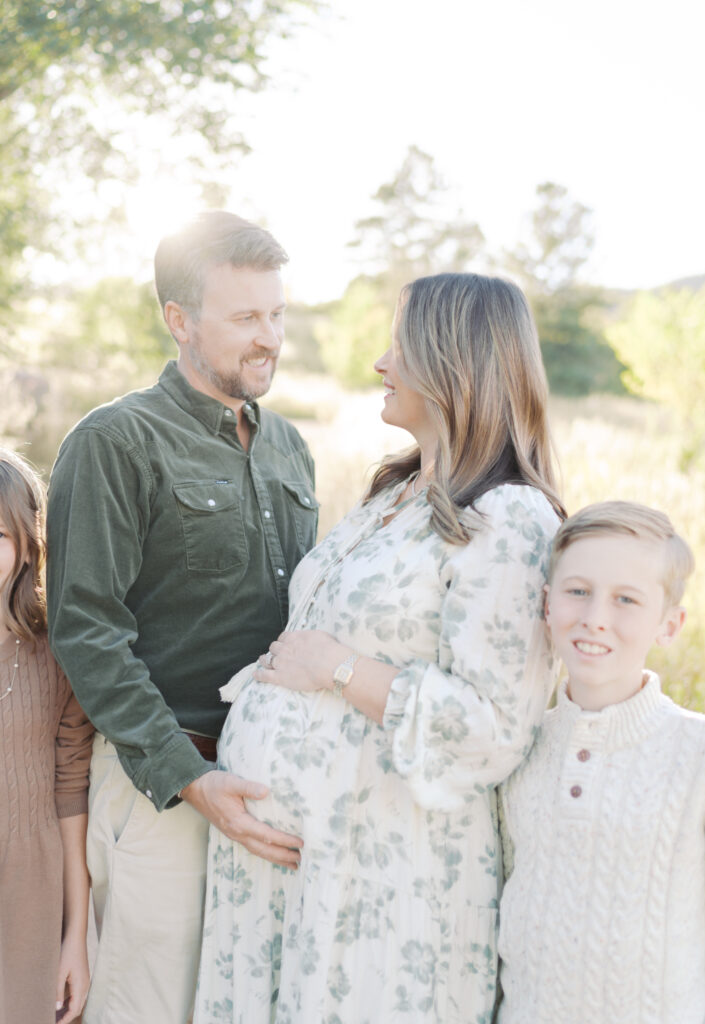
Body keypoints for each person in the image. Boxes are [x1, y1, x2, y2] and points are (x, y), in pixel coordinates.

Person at [194, 272, 565, 1024]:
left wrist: (338, 668)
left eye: (399, 343)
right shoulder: (393, 495)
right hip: (288, 870)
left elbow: (492, 730)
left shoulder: (510, 518)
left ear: (452, 362)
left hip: (382, 878)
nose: (380, 362)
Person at [46, 211, 318, 1024]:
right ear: (180, 321)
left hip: (270, 789)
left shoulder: (290, 450)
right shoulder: (114, 441)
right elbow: (85, 629)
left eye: (276, 314)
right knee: (148, 1009)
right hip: (160, 785)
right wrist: (188, 777)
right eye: (244, 318)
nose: (268, 337)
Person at [497, 501, 705, 1023]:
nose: (596, 619)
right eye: (578, 592)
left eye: (626, 600)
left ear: (669, 625)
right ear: (547, 603)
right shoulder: (518, 747)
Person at [0, 447, 94, 1024]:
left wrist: (75, 939)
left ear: (28, 543)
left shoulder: (57, 650)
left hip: (28, 896)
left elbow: (71, 792)